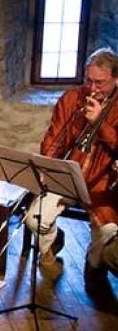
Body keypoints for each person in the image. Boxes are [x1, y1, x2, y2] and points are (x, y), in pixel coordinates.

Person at [26, 48, 118, 292]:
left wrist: (100, 123)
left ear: (116, 79)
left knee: (108, 231)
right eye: (89, 81)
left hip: (102, 181)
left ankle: (93, 264)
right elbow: (54, 138)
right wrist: (46, 165)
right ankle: (52, 246)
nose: (93, 88)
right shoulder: (72, 98)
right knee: (35, 220)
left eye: (100, 83)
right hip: (69, 174)